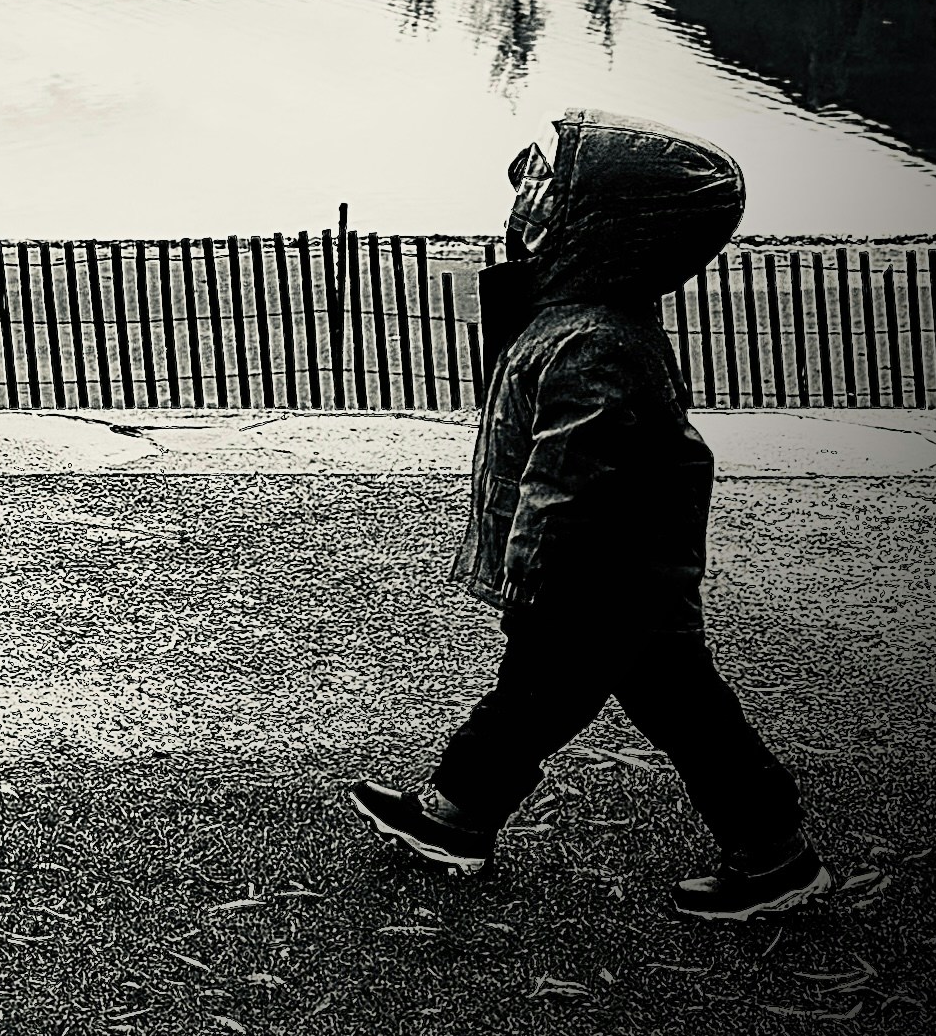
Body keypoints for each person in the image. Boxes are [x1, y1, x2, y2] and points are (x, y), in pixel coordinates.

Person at [351, 110, 832, 921]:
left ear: (601, 230)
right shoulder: (578, 320)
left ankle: (460, 815)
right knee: (660, 705)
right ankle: (462, 815)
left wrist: (534, 573)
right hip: (621, 571)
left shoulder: (592, 341)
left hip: (601, 574)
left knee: (544, 697)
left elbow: (571, 476)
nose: (529, 213)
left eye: (551, 201)